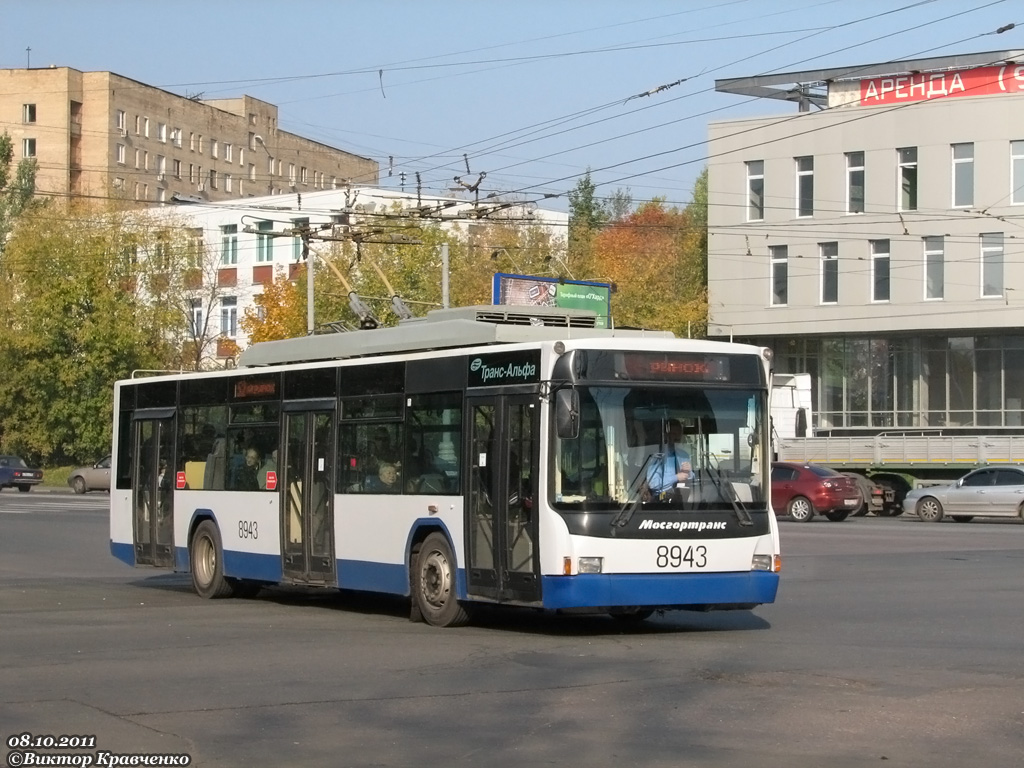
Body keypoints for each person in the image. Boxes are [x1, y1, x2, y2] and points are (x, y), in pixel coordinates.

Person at [645, 419, 693, 500]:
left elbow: (693, 478)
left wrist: (689, 473)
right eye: (674, 434)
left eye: (679, 434)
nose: (677, 437)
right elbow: (653, 484)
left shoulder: (684, 455)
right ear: (666, 435)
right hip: (662, 501)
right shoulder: (657, 456)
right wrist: (676, 477)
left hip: (683, 500)